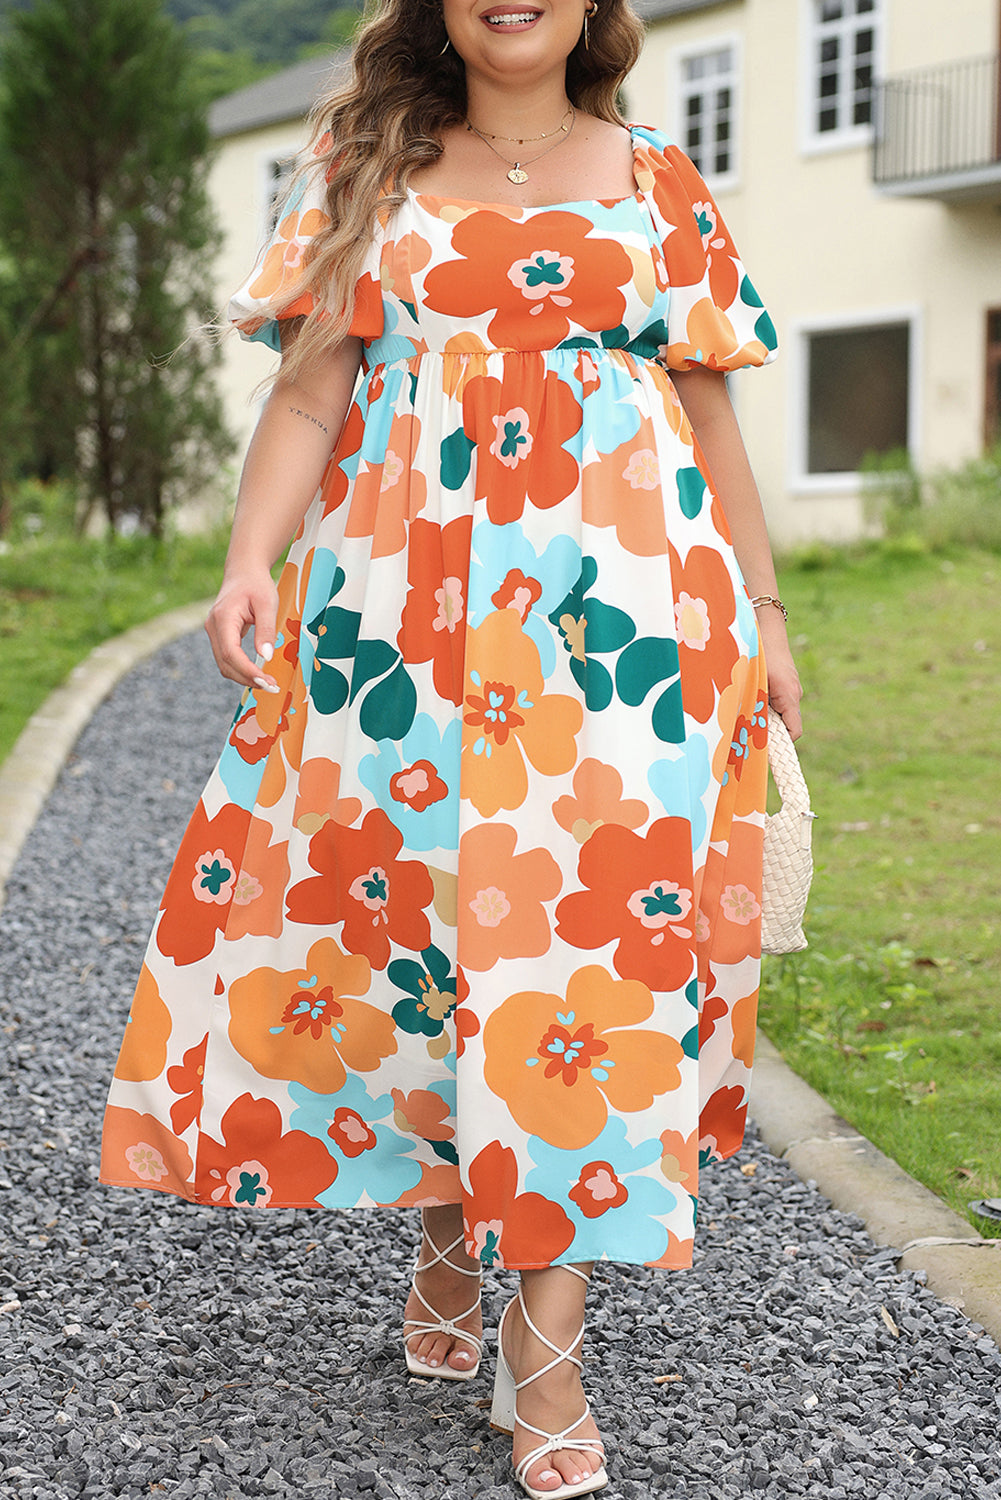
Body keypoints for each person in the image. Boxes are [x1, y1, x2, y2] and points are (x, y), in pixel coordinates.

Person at [101, 0, 802, 1494]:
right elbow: (308, 390)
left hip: (623, 625)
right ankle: (444, 1231)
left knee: (585, 958)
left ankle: (543, 1363)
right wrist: (244, 564)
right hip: (397, 613)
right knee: (422, 933)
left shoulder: (660, 178)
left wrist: (763, 612)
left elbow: (708, 410)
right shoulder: (366, 159)